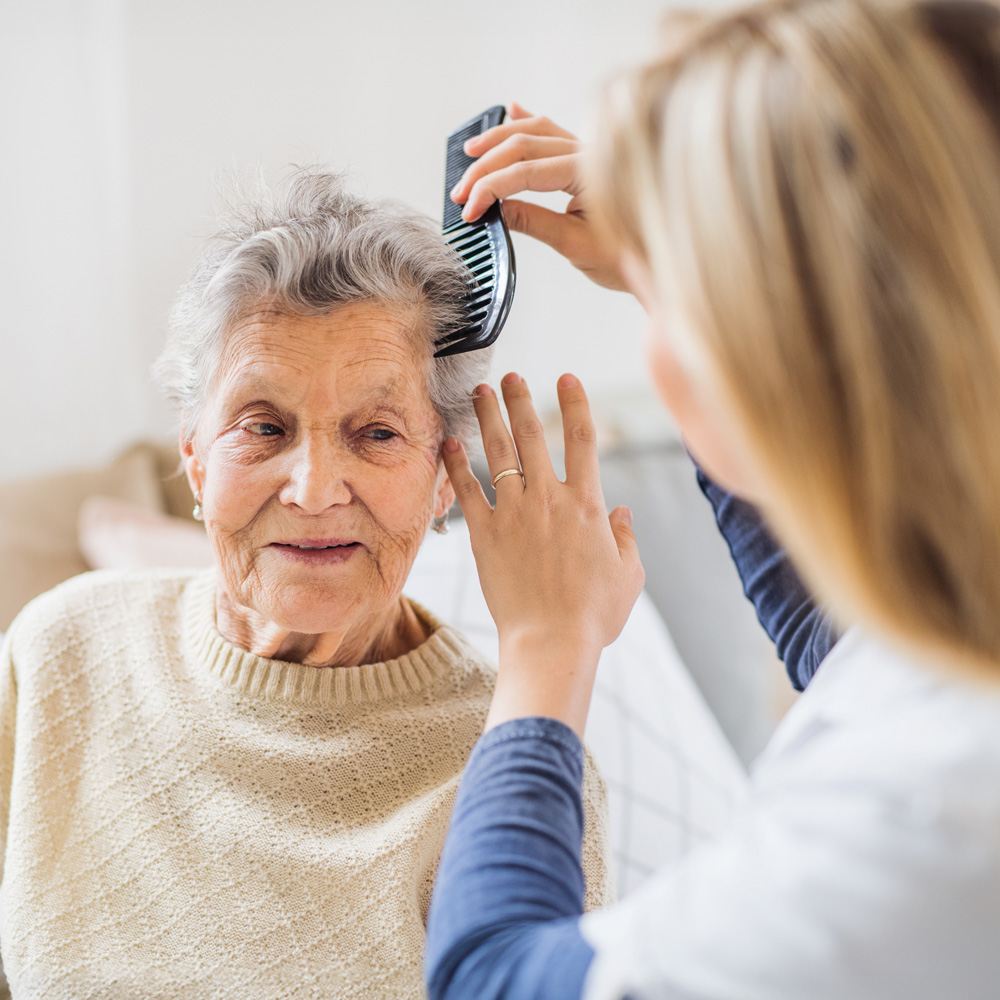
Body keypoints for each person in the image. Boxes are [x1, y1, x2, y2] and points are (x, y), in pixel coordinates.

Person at [424, 1, 1000, 997]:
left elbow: (494, 981)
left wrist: (545, 647)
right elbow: (845, 651)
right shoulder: (948, 651)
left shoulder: (921, 817)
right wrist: (666, 286)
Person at [0, 171, 613, 1000]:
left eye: (376, 432)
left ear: (443, 482)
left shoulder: (516, 766)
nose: (315, 488)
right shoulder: (55, 656)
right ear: (194, 458)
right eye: (264, 427)